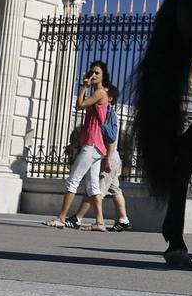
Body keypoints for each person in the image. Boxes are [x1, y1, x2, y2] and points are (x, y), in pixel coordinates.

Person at [44, 61, 110, 231]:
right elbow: (88, 124)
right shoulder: (97, 93)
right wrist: (74, 144)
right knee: (93, 186)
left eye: (97, 73)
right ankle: (100, 222)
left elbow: (79, 105)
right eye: (92, 72)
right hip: (95, 145)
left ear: (103, 77)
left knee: (73, 180)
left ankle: (61, 218)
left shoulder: (100, 93)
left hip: (92, 144)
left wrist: (83, 87)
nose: (93, 75)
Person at [66, 85, 131, 232]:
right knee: (114, 189)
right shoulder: (100, 111)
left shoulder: (109, 113)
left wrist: (107, 159)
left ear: (110, 98)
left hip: (110, 157)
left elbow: (112, 138)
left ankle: (77, 218)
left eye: (103, 92)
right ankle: (123, 219)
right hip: (111, 158)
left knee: (96, 190)